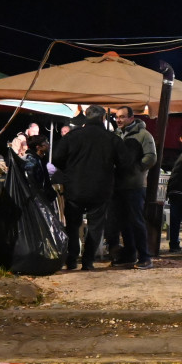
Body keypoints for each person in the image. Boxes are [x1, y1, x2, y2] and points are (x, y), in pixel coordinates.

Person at [51, 105, 125, 271]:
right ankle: (88, 261)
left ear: (85, 116)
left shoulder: (72, 136)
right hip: (101, 188)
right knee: (95, 226)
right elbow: (124, 163)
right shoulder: (111, 138)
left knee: (72, 225)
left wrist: (70, 170)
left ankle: (71, 260)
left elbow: (56, 159)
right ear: (103, 118)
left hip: (74, 187)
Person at [109, 106, 157, 269]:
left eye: (122, 117)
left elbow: (151, 157)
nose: (119, 120)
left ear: (131, 118)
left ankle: (145, 257)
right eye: (117, 117)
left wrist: (136, 169)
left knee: (136, 221)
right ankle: (129, 254)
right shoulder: (116, 135)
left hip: (135, 185)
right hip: (118, 185)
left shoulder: (144, 135)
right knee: (123, 222)